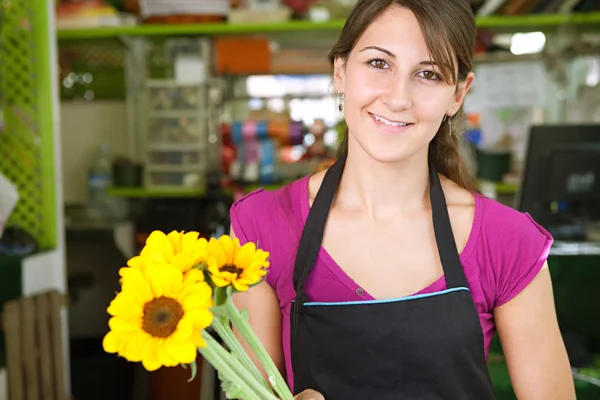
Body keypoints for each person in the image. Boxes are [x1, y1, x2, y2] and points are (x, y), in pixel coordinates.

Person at [229, 0, 576, 399]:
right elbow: (247, 390)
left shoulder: (507, 240)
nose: (398, 98)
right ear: (340, 72)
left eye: (428, 74)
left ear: (458, 95)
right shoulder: (265, 226)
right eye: (379, 64)